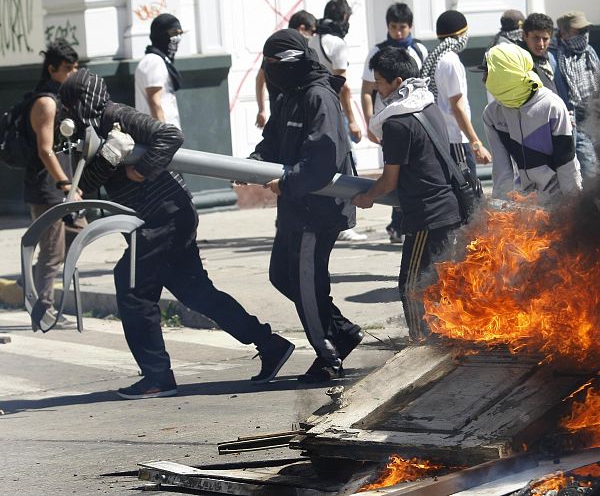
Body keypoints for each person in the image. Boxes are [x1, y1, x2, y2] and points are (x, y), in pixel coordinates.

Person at [60, 68, 294, 399]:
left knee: (133, 289)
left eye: (71, 104)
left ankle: (157, 376)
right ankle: (270, 344)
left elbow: (170, 136)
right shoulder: (94, 129)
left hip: (162, 217)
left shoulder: (116, 115)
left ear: (83, 101)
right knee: (196, 293)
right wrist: (107, 160)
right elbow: (90, 180)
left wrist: (141, 169)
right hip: (160, 218)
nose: (68, 113)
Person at [254, 29, 363, 383]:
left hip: (317, 210)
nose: (271, 71)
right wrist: (251, 164)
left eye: (275, 64)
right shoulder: (288, 95)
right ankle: (341, 331)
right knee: (281, 275)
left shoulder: (318, 96)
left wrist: (286, 183)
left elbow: (322, 159)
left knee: (306, 284)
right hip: (294, 208)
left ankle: (328, 355)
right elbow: (271, 141)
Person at [351, 47, 462, 340]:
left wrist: (366, 197)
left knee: (412, 285)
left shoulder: (398, 122)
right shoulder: (428, 106)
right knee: (441, 284)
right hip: (449, 210)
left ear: (397, 82)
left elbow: (388, 181)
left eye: (380, 82)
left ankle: (420, 344)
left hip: (426, 216)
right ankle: (447, 338)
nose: (377, 88)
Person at [24, 39, 81, 328]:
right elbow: (45, 149)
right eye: (67, 68)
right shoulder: (46, 102)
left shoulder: (61, 98)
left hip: (59, 185)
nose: (73, 72)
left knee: (77, 233)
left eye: (76, 67)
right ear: (52, 70)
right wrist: (65, 184)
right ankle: (42, 310)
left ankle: (34, 290)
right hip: (47, 187)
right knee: (52, 251)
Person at [360, 2, 428, 244]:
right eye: (393, 27)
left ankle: (401, 222)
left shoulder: (419, 49)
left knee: (410, 170)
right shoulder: (377, 52)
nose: (398, 32)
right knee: (394, 171)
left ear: (410, 27)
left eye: (403, 27)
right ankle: (398, 224)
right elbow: (367, 90)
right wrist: (370, 121)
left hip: (414, 119)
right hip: (388, 122)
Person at [481, 43, 581, 201]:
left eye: (488, 73)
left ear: (505, 74)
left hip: (557, 201)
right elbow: (501, 169)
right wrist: (500, 207)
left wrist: (574, 206)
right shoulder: (492, 114)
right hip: (525, 203)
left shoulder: (551, 106)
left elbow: (566, 162)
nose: (484, 79)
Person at [308, 0, 366, 242]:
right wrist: (352, 120)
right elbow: (343, 87)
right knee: (344, 162)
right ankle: (344, 222)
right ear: (344, 18)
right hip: (333, 108)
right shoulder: (338, 44)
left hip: (313, 107)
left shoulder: (312, 40)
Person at [420, 10, 491, 180]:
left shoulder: (436, 58)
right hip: (456, 140)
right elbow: (457, 108)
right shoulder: (451, 61)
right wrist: (476, 144)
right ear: (461, 35)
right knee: (469, 196)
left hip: (441, 138)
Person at [555, 10, 600, 183]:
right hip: (576, 125)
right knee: (590, 172)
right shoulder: (555, 56)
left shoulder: (590, 52)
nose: (584, 35)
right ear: (564, 33)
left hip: (596, 120)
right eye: (579, 31)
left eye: (585, 30)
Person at [254, 10, 316, 129]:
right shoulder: (290, 49)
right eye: (312, 31)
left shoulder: (277, 46)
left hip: (281, 115)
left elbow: (260, 79)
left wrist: (261, 109)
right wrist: (261, 110)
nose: (314, 36)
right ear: (302, 28)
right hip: (291, 115)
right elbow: (260, 79)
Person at [135, 13, 184, 127]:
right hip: (158, 136)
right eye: (173, 33)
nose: (178, 38)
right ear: (160, 35)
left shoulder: (160, 61)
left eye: (180, 33)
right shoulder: (153, 62)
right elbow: (155, 103)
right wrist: (164, 137)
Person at [518, 13, 559, 93]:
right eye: (535, 38)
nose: (541, 44)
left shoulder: (550, 59)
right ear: (524, 36)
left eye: (545, 39)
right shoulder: (520, 63)